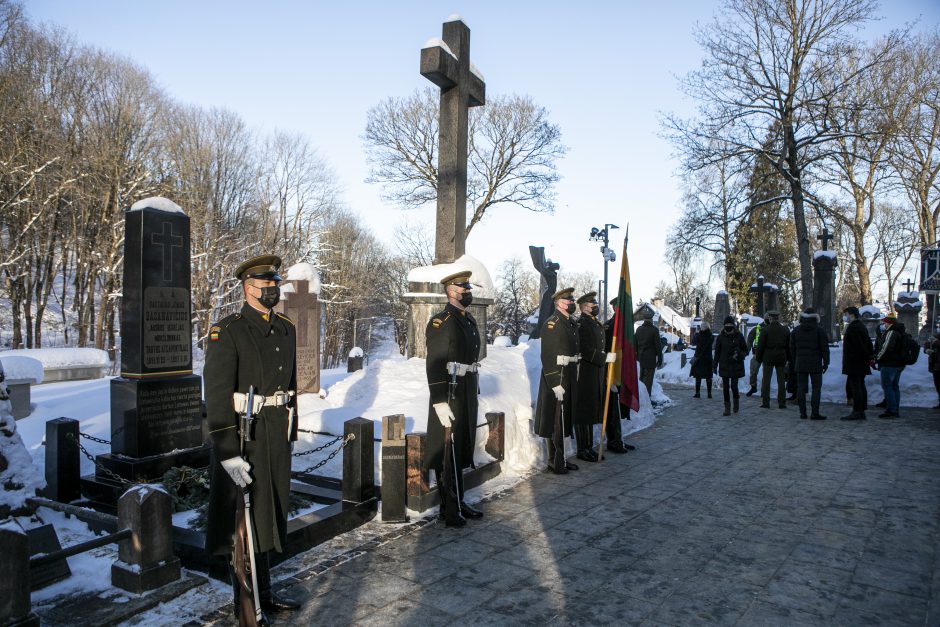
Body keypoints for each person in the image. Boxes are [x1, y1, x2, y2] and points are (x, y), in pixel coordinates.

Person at [204, 254, 302, 622]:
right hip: (245, 437)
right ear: (248, 288)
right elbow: (215, 394)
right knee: (241, 523)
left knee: (267, 514)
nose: (273, 290)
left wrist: (291, 427)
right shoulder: (227, 331)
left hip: (275, 434)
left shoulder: (286, 328)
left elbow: (289, 387)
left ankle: (267, 591)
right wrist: (227, 452)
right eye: (266, 285)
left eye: (276, 284)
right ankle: (246, 603)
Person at [426, 270, 483, 527]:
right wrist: (439, 400)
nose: (468, 292)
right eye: (463, 289)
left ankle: (459, 501)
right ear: (451, 292)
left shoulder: (466, 319)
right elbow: (435, 363)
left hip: (466, 389)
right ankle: (448, 507)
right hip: (448, 393)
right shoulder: (442, 321)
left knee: (459, 447)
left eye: (468, 288)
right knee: (447, 449)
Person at [534, 287, 580, 474]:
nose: (571, 303)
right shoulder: (552, 324)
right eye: (568, 301)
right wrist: (555, 383)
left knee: (564, 417)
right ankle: (554, 460)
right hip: (556, 377)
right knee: (555, 419)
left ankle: (561, 457)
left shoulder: (569, 323)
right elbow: (548, 355)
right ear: (559, 303)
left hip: (568, 374)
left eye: (572, 300)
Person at [574, 292, 617, 462]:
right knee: (583, 412)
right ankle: (582, 449)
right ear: (585, 306)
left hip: (595, 372)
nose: (596, 307)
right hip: (585, 372)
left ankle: (589, 446)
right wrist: (603, 358)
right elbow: (584, 348)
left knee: (591, 410)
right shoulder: (582, 324)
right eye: (593, 305)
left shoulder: (594, 323)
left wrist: (605, 356)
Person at [604, 297, 635, 453]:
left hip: (622, 370)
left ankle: (619, 439)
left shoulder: (625, 325)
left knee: (620, 408)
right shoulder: (612, 325)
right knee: (613, 408)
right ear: (616, 308)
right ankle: (614, 440)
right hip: (614, 370)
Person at [789, 307, 830, 420]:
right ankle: (814, 413)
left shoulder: (796, 331)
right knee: (816, 388)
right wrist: (826, 362)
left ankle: (803, 413)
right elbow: (824, 348)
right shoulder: (819, 331)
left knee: (801, 388)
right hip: (815, 363)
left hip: (800, 363)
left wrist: (795, 360)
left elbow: (792, 348)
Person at [840, 306, 873, 421]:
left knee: (856, 386)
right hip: (860, 362)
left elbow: (858, 346)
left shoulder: (854, 328)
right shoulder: (860, 326)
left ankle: (858, 410)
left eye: (846, 314)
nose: (845, 317)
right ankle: (861, 409)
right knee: (859, 384)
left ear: (851, 314)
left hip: (855, 362)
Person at [713, 315, 747, 415]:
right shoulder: (720, 337)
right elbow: (717, 352)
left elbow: (745, 349)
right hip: (724, 364)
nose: (728, 326)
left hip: (736, 365)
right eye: (727, 324)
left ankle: (736, 400)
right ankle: (727, 407)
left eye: (730, 324)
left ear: (733, 325)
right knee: (726, 387)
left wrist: (740, 355)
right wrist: (715, 365)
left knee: (734, 386)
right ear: (724, 325)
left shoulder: (739, 336)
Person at [874, 313, 906, 418]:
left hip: (889, 363)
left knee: (888, 387)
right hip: (898, 363)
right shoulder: (900, 331)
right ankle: (895, 409)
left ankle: (891, 410)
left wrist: (877, 358)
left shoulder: (891, 332)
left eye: (885, 322)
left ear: (889, 323)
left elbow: (886, 348)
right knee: (894, 387)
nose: (884, 324)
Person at [756, 310, 790, 409]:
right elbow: (788, 346)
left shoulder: (765, 330)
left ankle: (766, 402)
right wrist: (788, 358)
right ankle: (782, 402)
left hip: (768, 357)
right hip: (781, 357)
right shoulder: (785, 330)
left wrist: (758, 358)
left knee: (766, 380)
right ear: (778, 318)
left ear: (770, 318)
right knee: (781, 381)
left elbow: (760, 346)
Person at [634, 315, 662, 400]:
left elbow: (635, 344)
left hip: (640, 359)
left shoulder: (638, 330)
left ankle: (640, 399)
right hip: (650, 360)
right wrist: (660, 359)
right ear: (651, 320)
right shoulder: (654, 330)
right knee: (648, 382)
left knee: (641, 380)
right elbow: (658, 346)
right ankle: (647, 400)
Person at [690, 320, 714, 399]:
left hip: (699, 358)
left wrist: (696, 333)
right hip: (708, 358)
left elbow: (693, 342)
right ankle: (709, 393)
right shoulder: (711, 336)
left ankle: (697, 393)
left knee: (698, 377)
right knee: (708, 377)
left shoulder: (698, 335)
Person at [745, 315, 769, 396]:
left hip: (768, 353)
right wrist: (746, 351)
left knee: (766, 372)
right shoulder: (758, 328)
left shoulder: (772, 328)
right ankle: (753, 386)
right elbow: (750, 339)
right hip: (757, 353)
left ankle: (764, 391)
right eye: (767, 319)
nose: (768, 320)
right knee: (753, 369)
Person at [927, 331, 940, 410]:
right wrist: (927, 349)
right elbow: (927, 344)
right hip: (936, 366)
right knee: (938, 386)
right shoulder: (936, 336)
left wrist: (935, 341)